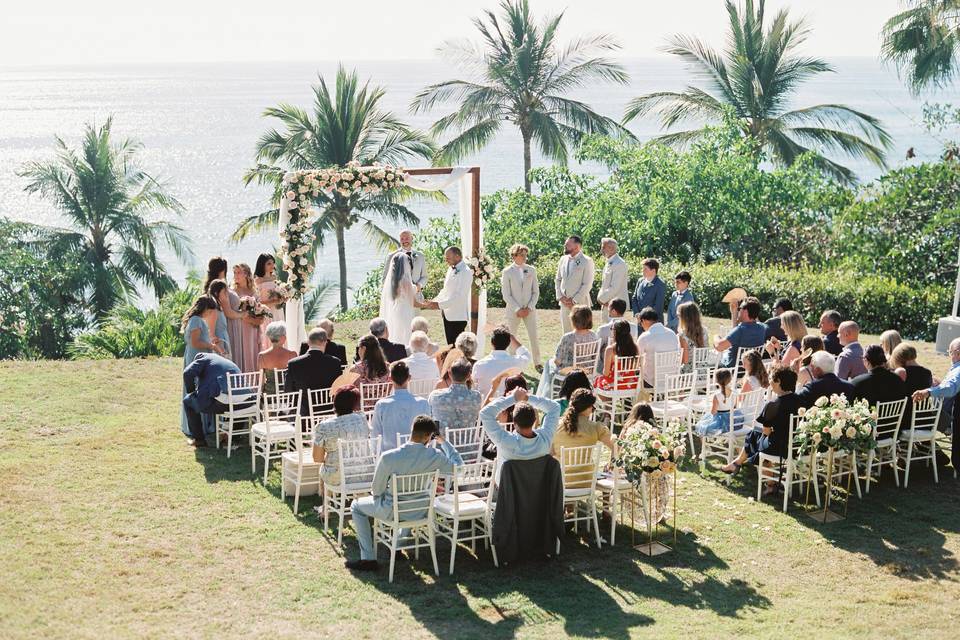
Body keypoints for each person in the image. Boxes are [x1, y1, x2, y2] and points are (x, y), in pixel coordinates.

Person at [346, 415, 463, 572]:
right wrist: (443, 442)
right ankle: (396, 546)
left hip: (394, 510)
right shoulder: (434, 456)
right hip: (421, 511)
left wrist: (385, 496)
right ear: (429, 437)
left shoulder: (389, 457)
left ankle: (368, 559)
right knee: (408, 502)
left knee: (356, 506)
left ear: (412, 431)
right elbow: (459, 468)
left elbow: (376, 490)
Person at [721, 367, 801, 495]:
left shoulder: (774, 404)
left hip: (780, 447)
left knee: (754, 438)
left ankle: (740, 466)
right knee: (754, 436)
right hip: (798, 445)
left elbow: (766, 431)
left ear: (779, 381)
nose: (770, 382)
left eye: (772, 379)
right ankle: (738, 464)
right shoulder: (802, 401)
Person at [180, 295, 227, 440]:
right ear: (205, 308)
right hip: (196, 356)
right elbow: (196, 343)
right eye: (210, 311)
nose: (211, 314)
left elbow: (200, 340)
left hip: (197, 355)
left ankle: (204, 425)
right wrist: (211, 346)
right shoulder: (196, 320)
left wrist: (210, 342)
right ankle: (199, 425)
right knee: (198, 388)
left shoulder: (197, 320)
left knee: (201, 387)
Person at [911, 337, 960, 469]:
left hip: (950, 419)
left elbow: (951, 388)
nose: (950, 356)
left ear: (958, 352)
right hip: (948, 413)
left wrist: (929, 391)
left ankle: (918, 453)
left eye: (950, 352)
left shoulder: (958, 369)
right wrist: (940, 385)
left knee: (917, 416)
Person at [480, 387, 561, 464]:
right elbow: (555, 407)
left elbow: (485, 413)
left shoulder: (505, 441)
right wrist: (526, 397)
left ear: (514, 422)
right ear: (534, 420)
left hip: (506, 479)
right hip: (537, 479)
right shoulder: (545, 439)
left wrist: (514, 398)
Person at [551, 389, 615, 486]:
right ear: (587, 408)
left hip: (560, 482)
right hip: (587, 481)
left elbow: (549, 454)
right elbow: (616, 446)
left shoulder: (556, 425)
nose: (593, 410)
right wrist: (611, 466)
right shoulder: (596, 427)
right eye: (592, 407)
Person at [535, 305, 598, 397]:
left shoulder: (568, 337)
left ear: (574, 320)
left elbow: (557, 361)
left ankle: (546, 396)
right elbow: (594, 358)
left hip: (570, 371)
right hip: (587, 370)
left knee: (549, 363)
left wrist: (555, 361)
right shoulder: (594, 336)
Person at [182, 351, 242, 447]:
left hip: (224, 402)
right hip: (245, 402)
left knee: (188, 402)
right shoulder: (222, 361)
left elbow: (187, 372)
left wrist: (191, 391)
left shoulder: (203, 359)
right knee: (235, 399)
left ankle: (199, 439)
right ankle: (232, 437)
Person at [311, 386, 369, 485]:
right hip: (365, 474)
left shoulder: (323, 426)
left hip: (339, 477)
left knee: (323, 470)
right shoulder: (362, 419)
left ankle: (326, 500)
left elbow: (317, 459)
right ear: (355, 405)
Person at [370, 361, 431, 451]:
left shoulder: (381, 405)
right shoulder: (423, 403)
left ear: (390, 378)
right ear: (409, 378)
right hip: (416, 455)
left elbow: (375, 434)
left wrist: (376, 455)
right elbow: (429, 433)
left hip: (390, 455)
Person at [419, 246, 472, 345]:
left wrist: (439, 305)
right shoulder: (450, 269)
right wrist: (434, 301)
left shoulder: (466, 272)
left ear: (457, 256)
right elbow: (445, 290)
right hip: (447, 315)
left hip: (457, 317)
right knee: (450, 345)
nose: (446, 260)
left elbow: (458, 297)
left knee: (457, 347)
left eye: (448, 258)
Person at [286, 327, 343, 416]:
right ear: (325, 342)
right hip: (329, 411)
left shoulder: (294, 364)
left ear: (308, 342)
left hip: (304, 413)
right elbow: (339, 388)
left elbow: (288, 390)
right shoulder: (335, 362)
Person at [501, 243, 542, 365]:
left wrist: (529, 307)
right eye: (522, 255)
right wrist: (517, 309)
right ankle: (511, 362)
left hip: (530, 310)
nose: (525, 257)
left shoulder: (531, 270)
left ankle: (538, 362)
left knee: (534, 336)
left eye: (526, 255)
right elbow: (506, 294)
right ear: (514, 256)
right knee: (511, 337)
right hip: (513, 310)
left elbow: (536, 292)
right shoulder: (507, 272)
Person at [472, 327, 532, 397]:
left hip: (486, 405)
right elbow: (526, 355)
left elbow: (474, 386)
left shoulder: (479, 365)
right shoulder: (516, 362)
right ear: (509, 343)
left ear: (491, 343)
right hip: (509, 405)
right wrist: (512, 338)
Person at [428, 359, 482, 434]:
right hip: (468, 444)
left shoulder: (435, 396)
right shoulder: (476, 396)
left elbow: (429, 417)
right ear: (469, 376)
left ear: (449, 374)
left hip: (442, 444)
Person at [555, 235, 595, 334]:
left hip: (580, 303)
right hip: (564, 303)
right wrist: (561, 297)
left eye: (568, 244)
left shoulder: (587, 261)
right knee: (567, 332)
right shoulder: (563, 259)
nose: (565, 246)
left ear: (577, 246)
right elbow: (558, 279)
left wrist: (573, 300)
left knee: (582, 331)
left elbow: (587, 284)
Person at [714, 297, 767, 368]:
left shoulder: (740, 330)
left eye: (739, 309)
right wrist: (734, 313)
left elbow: (719, 347)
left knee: (710, 365)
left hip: (731, 369)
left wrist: (716, 337)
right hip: (752, 368)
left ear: (745, 311)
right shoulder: (762, 328)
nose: (738, 311)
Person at [231, 263, 265, 373]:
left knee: (251, 352)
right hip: (237, 327)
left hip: (251, 328)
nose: (236, 275)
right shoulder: (232, 292)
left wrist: (254, 320)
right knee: (238, 352)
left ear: (246, 274)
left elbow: (260, 313)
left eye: (239, 272)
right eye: (234, 273)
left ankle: (254, 383)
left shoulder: (254, 292)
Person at [636, 306, 681, 388]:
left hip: (651, 382)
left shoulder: (644, 337)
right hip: (671, 380)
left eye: (640, 323)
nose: (641, 326)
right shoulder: (672, 333)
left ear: (644, 321)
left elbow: (637, 359)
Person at [379, 250, 416, 346]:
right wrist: (427, 304)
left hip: (395, 310)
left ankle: (397, 350)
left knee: (396, 331)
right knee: (405, 333)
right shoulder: (405, 281)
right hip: (405, 311)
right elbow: (413, 300)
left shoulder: (392, 281)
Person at [595, 319, 640, 392]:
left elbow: (606, 373)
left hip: (615, 385)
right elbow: (635, 369)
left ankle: (609, 402)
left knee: (597, 381)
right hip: (631, 384)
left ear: (615, 332)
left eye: (612, 329)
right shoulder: (635, 348)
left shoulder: (610, 350)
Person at [595, 299, 640, 372]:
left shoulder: (603, 329)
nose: (607, 309)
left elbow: (596, 349)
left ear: (613, 311)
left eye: (609, 307)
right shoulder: (634, 327)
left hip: (608, 366)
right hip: (629, 366)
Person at [694, 369, 741, 437]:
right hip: (733, 420)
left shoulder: (717, 395)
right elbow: (735, 407)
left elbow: (713, 412)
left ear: (716, 381)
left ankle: (704, 445)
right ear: (730, 379)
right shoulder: (735, 392)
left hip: (721, 421)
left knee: (702, 426)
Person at [255, 253, 285, 346]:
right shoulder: (257, 280)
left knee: (281, 334)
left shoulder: (275, 278)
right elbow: (257, 302)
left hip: (278, 310)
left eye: (273, 263)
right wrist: (274, 301)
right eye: (269, 264)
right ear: (262, 265)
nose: (272, 266)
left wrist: (284, 297)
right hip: (267, 312)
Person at [259, 321, 297, 394]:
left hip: (270, 396)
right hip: (288, 395)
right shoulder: (292, 355)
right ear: (283, 337)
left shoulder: (262, 356)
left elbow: (261, 381)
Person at [597, 238, 629, 324]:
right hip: (607, 304)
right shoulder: (610, 262)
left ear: (611, 248)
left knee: (615, 333)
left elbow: (615, 287)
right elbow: (605, 284)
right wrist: (602, 300)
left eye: (603, 247)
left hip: (616, 307)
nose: (601, 249)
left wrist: (601, 299)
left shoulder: (619, 263)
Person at [677, 301, 708, 372]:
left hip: (688, 375)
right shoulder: (704, 331)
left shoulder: (682, 335)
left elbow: (685, 360)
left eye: (679, 316)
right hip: (703, 372)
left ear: (684, 317)